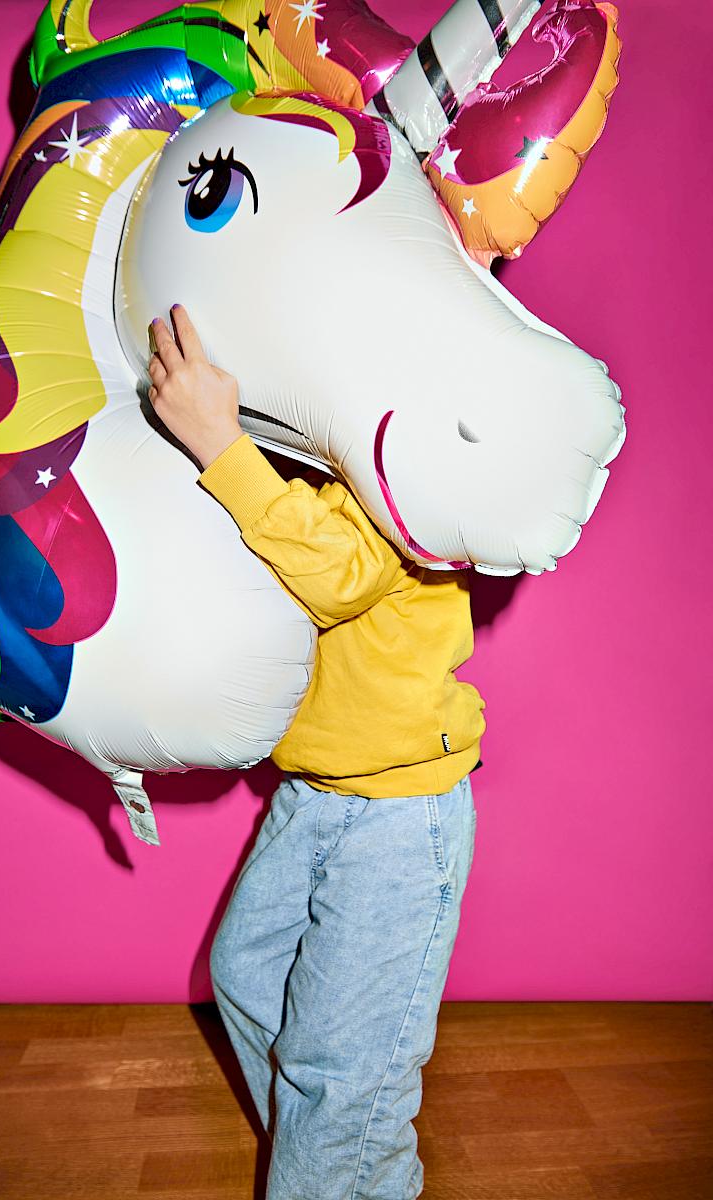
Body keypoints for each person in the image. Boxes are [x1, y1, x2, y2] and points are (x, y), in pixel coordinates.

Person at [148, 305, 484, 1200]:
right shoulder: (327, 471)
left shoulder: (410, 463)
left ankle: (338, 1163)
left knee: (341, 1071)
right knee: (245, 974)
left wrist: (221, 444)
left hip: (400, 819)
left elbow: (340, 575)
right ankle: (352, 1170)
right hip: (317, 795)